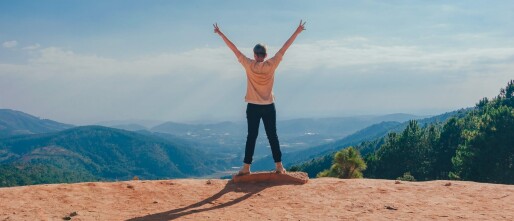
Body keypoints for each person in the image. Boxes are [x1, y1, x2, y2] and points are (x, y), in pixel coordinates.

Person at [213, 20, 306, 175]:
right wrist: (297, 31)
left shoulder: (249, 64)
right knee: (272, 136)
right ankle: (279, 167)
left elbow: (233, 49)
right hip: (269, 105)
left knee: (251, 137)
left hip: (253, 106)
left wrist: (221, 34)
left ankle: (246, 168)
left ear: (255, 55)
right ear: (266, 55)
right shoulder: (272, 64)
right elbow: (285, 47)